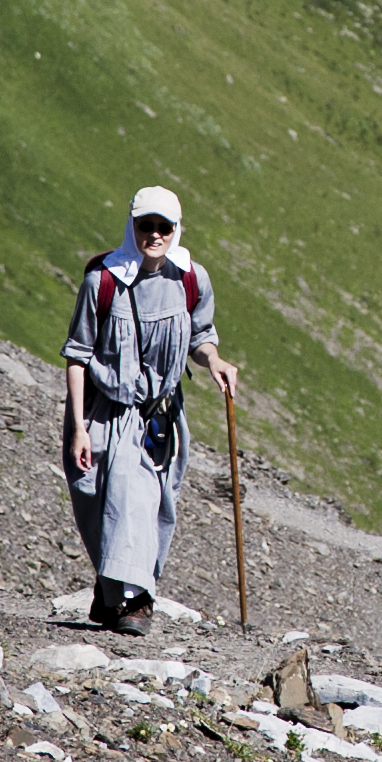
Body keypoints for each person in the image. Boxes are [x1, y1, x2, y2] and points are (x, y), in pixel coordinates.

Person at [63, 185, 239, 636]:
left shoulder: (191, 279)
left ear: (177, 230)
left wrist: (215, 361)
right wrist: (79, 427)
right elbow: (78, 356)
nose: (155, 234)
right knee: (115, 500)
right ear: (132, 225)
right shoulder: (102, 281)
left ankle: (121, 597)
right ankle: (130, 599)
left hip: (162, 415)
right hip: (108, 412)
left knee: (151, 504)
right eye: (147, 225)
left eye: (165, 227)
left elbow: (201, 336)